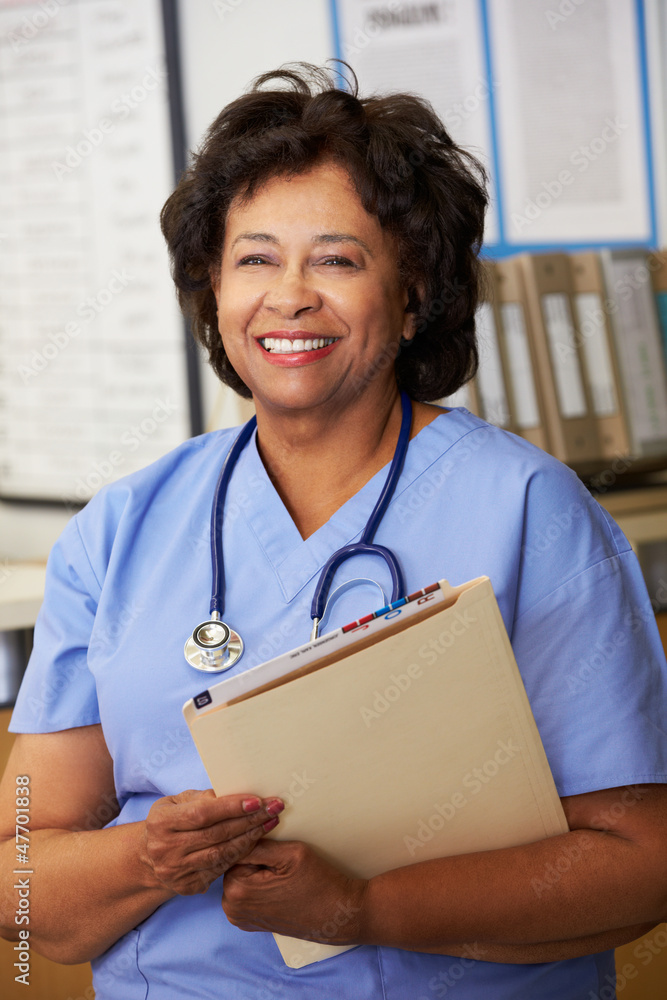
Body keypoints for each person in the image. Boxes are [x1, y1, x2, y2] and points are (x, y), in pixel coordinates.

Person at [1, 62, 666, 1000]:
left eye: (337, 259)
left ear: (412, 294)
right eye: (255, 258)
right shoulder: (119, 530)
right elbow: (22, 888)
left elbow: (638, 866)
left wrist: (362, 908)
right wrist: (152, 856)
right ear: (212, 290)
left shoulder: (529, 511)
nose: (289, 296)